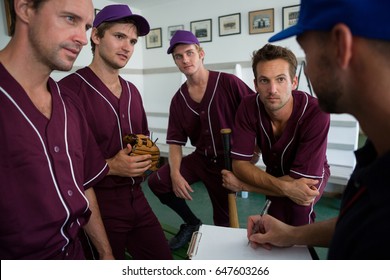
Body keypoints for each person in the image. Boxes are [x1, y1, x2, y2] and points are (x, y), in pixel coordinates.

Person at [246, 0, 390, 259]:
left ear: (340, 47)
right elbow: (356, 222)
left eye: (307, 55)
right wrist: (292, 234)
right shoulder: (377, 150)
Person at [0, 0, 113, 259]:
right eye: (70, 19)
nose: (83, 39)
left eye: (86, 26)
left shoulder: (68, 102)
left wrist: (106, 254)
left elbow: (83, 184)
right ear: (25, 8)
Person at [59, 4, 172, 260]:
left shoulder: (132, 91)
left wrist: (147, 158)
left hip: (137, 199)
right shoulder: (68, 91)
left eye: (132, 41)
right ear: (96, 36)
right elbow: (63, 168)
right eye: (119, 36)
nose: (127, 47)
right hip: (97, 206)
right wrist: (110, 166)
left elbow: (143, 140)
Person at [147, 30, 255, 250]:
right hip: (201, 159)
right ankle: (192, 223)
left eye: (189, 53)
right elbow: (175, 143)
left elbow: (257, 116)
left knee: (223, 224)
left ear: (201, 53)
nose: (185, 60)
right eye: (179, 56)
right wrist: (176, 175)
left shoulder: (229, 83)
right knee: (158, 182)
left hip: (228, 164)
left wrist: (252, 157)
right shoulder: (179, 99)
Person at [223, 44, 330, 226]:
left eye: (280, 79)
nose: (272, 90)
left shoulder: (316, 112)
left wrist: (245, 186)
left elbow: (300, 181)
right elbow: (240, 165)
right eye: (264, 81)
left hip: (308, 174)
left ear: (294, 82)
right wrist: (285, 188)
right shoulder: (248, 106)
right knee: (273, 222)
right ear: (255, 84)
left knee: (298, 212)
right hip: (275, 175)